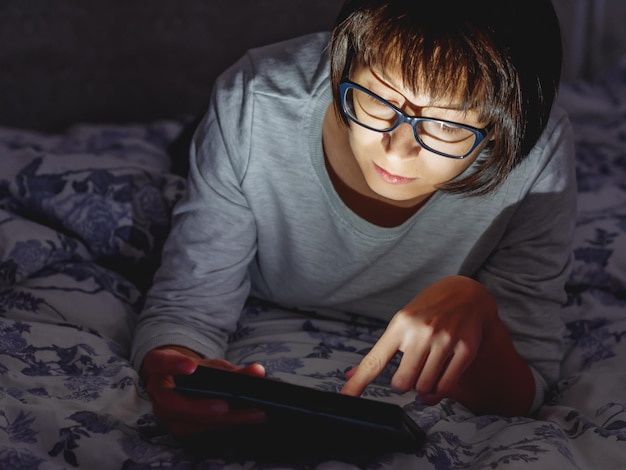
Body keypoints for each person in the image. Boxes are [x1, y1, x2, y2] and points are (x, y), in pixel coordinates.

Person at [131, 0, 576, 436]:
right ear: (343, 68)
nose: (399, 150)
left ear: (500, 131)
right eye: (379, 99)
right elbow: (187, 309)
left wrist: (482, 315)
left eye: (446, 125)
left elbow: (528, 381)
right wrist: (174, 368)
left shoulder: (534, 153)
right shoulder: (256, 102)